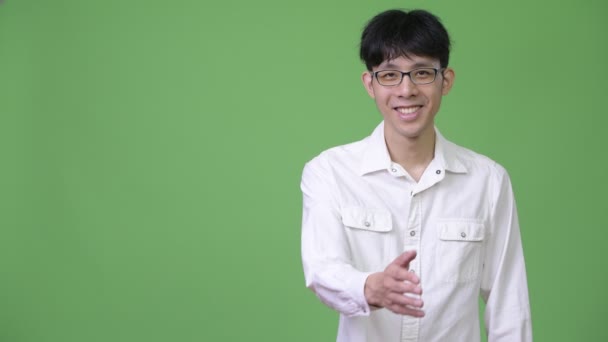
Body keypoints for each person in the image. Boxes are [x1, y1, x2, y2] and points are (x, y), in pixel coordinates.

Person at [300, 9, 532, 342]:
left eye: (422, 73)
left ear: (445, 80)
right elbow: (323, 271)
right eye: (390, 75)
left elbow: (510, 305)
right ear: (370, 84)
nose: (406, 90)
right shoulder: (330, 173)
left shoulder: (488, 181)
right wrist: (372, 287)